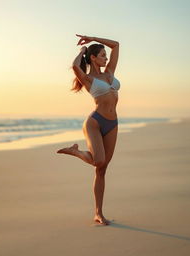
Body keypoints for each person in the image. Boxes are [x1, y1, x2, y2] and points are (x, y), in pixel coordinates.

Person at [57, 34, 120, 225]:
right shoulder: (88, 78)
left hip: (113, 123)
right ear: (93, 58)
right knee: (98, 161)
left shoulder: (109, 72)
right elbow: (76, 66)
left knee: (102, 170)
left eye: (105, 55)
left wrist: (92, 38)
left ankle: (98, 213)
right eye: (102, 55)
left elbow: (116, 45)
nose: (106, 58)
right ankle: (76, 152)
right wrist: (83, 50)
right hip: (95, 122)